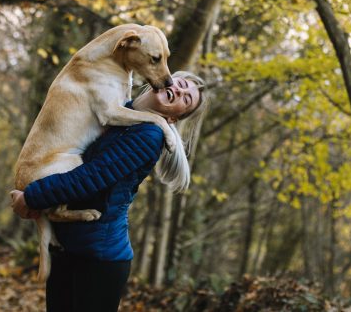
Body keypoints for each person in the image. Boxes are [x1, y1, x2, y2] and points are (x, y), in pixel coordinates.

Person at [11, 71, 209, 312]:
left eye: (185, 99)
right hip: (65, 248)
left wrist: (33, 197)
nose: (179, 90)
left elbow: (92, 177)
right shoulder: (117, 112)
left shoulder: (149, 135)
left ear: (173, 119)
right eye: (181, 84)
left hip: (100, 260)